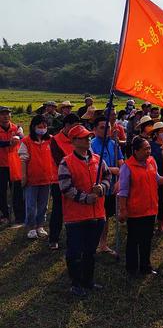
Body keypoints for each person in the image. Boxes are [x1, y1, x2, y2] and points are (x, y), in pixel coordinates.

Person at [58, 124, 111, 297]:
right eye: (83, 137)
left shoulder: (98, 159)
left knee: (90, 251)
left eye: (89, 136)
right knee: (75, 252)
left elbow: (108, 177)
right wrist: (85, 198)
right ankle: (75, 283)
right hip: (76, 217)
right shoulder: (66, 162)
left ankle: (88, 281)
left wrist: (102, 188)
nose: (88, 139)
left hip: (97, 214)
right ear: (73, 141)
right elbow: (66, 188)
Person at [118, 136, 163, 275]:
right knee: (134, 240)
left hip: (150, 209)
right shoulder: (127, 167)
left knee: (147, 240)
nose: (148, 151)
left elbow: (157, 179)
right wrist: (122, 210)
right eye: (145, 149)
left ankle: (146, 266)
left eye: (149, 148)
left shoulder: (151, 161)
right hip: (136, 211)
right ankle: (132, 268)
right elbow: (123, 191)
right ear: (136, 151)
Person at [91, 116, 125, 255]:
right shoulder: (92, 145)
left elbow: (121, 162)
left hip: (113, 187)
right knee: (97, 217)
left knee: (106, 216)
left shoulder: (114, 144)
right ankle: (92, 244)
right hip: (98, 186)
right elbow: (93, 166)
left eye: (108, 127)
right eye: (102, 127)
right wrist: (112, 170)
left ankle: (103, 244)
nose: (106, 130)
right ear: (94, 130)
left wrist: (119, 179)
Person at [18, 115, 56, 239]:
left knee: (43, 205)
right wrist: (23, 176)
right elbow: (23, 160)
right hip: (32, 179)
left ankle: (40, 225)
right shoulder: (26, 141)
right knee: (30, 205)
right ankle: (31, 227)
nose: (42, 129)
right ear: (33, 127)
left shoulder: (50, 139)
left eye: (45, 126)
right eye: (40, 126)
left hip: (46, 178)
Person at [49, 113, 80, 249]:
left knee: (76, 210)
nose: (77, 130)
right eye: (74, 127)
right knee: (58, 210)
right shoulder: (56, 140)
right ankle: (53, 239)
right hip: (59, 181)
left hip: (78, 179)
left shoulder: (78, 138)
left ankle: (73, 237)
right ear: (67, 126)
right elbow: (60, 162)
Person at [0, 106, 23, 225]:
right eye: (2, 114)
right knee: (2, 192)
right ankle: (4, 215)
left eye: (7, 114)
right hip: (1, 165)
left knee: (17, 191)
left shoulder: (16, 128)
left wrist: (19, 136)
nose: (5, 116)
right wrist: (8, 142)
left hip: (14, 163)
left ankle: (19, 216)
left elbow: (22, 139)